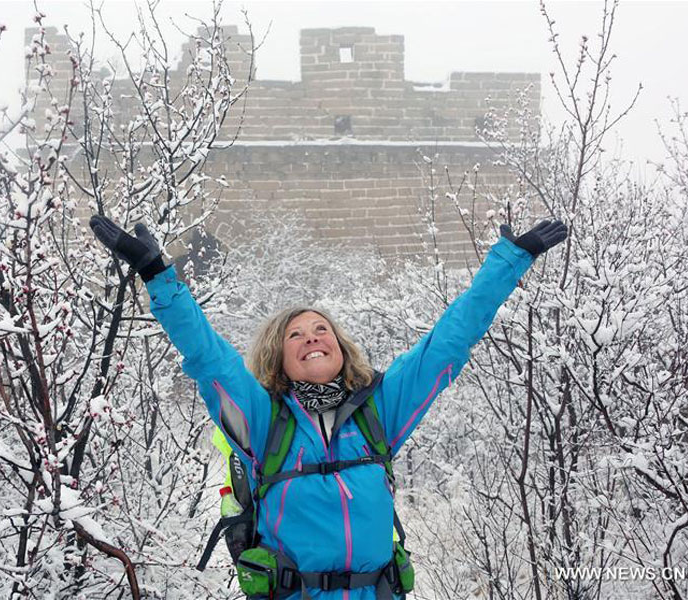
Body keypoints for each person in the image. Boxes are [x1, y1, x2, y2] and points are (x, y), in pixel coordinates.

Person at [89, 215, 567, 600]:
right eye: (296, 334)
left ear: (340, 347)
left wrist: (509, 261)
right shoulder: (264, 424)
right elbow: (206, 356)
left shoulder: (379, 412)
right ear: (279, 357)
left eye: (322, 330)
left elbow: (449, 341)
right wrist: (158, 275)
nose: (313, 337)